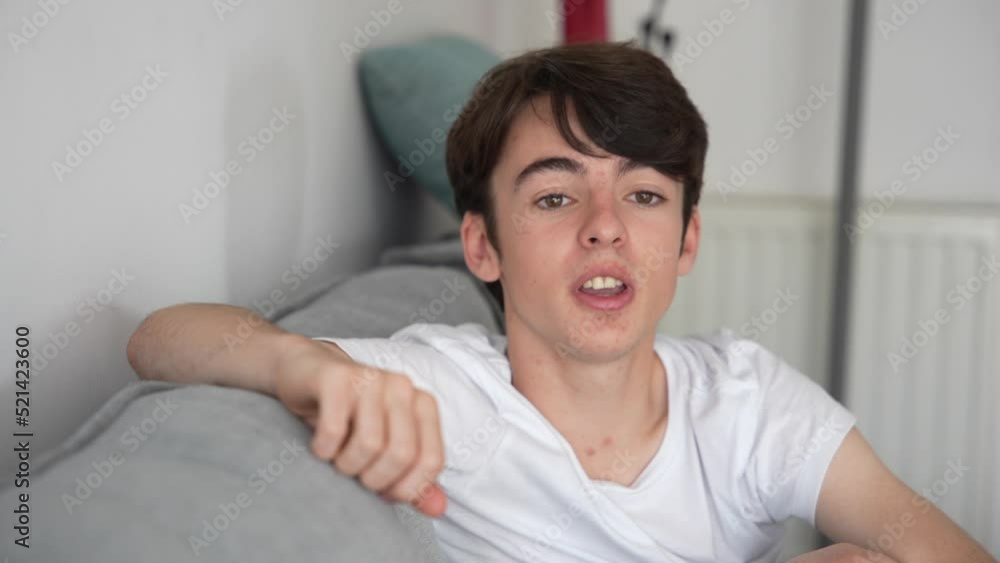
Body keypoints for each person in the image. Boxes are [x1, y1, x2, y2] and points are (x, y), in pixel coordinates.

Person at [127, 42, 993, 562]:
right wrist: (299, 362)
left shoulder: (749, 403)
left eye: (645, 196)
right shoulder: (451, 395)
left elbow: (940, 547)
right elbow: (162, 339)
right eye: (554, 196)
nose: (604, 227)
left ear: (687, 241)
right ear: (482, 246)